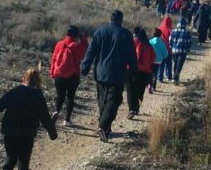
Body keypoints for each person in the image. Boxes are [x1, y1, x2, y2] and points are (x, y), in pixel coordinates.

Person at [0, 68, 58, 170]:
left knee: (10, 158)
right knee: (23, 164)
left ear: (23, 78)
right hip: (27, 134)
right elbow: (45, 117)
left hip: (9, 132)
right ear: (38, 81)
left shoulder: (15, 91)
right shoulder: (38, 96)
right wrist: (52, 133)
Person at [81, 9, 137, 142]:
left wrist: (85, 67)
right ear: (121, 20)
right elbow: (132, 56)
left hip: (100, 72)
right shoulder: (126, 34)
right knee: (114, 101)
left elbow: (91, 51)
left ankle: (105, 128)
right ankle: (103, 125)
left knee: (103, 100)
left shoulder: (100, 31)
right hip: (117, 74)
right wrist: (134, 72)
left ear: (110, 19)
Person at [49, 26, 88, 125]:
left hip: (59, 74)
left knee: (60, 96)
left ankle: (56, 111)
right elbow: (86, 48)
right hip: (73, 74)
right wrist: (82, 37)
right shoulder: (77, 46)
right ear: (76, 35)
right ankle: (67, 120)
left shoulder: (59, 44)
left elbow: (54, 59)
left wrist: (52, 72)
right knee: (70, 97)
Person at [126, 27, 156, 118]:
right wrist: (147, 65)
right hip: (145, 72)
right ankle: (136, 108)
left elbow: (127, 54)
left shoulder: (133, 42)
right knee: (140, 91)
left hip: (132, 70)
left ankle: (131, 109)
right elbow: (153, 57)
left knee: (131, 90)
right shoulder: (149, 45)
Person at [169, 16, 193, 83]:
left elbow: (170, 41)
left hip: (174, 51)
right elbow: (189, 42)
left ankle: (175, 77)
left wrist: (171, 47)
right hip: (183, 51)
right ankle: (176, 78)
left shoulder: (173, 31)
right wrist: (188, 49)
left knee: (175, 63)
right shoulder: (187, 32)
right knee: (179, 65)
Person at [148, 27, 168, 93]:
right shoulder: (162, 42)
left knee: (150, 72)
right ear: (160, 35)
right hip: (158, 60)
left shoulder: (150, 41)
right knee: (155, 73)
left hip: (150, 59)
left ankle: (149, 85)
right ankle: (154, 87)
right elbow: (165, 53)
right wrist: (162, 57)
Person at [157, 15, 174, 83]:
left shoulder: (159, 28)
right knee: (169, 64)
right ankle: (169, 76)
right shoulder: (171, 30)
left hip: (161, 50)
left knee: (161, 64)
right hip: (168, 50)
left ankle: (160, 77)